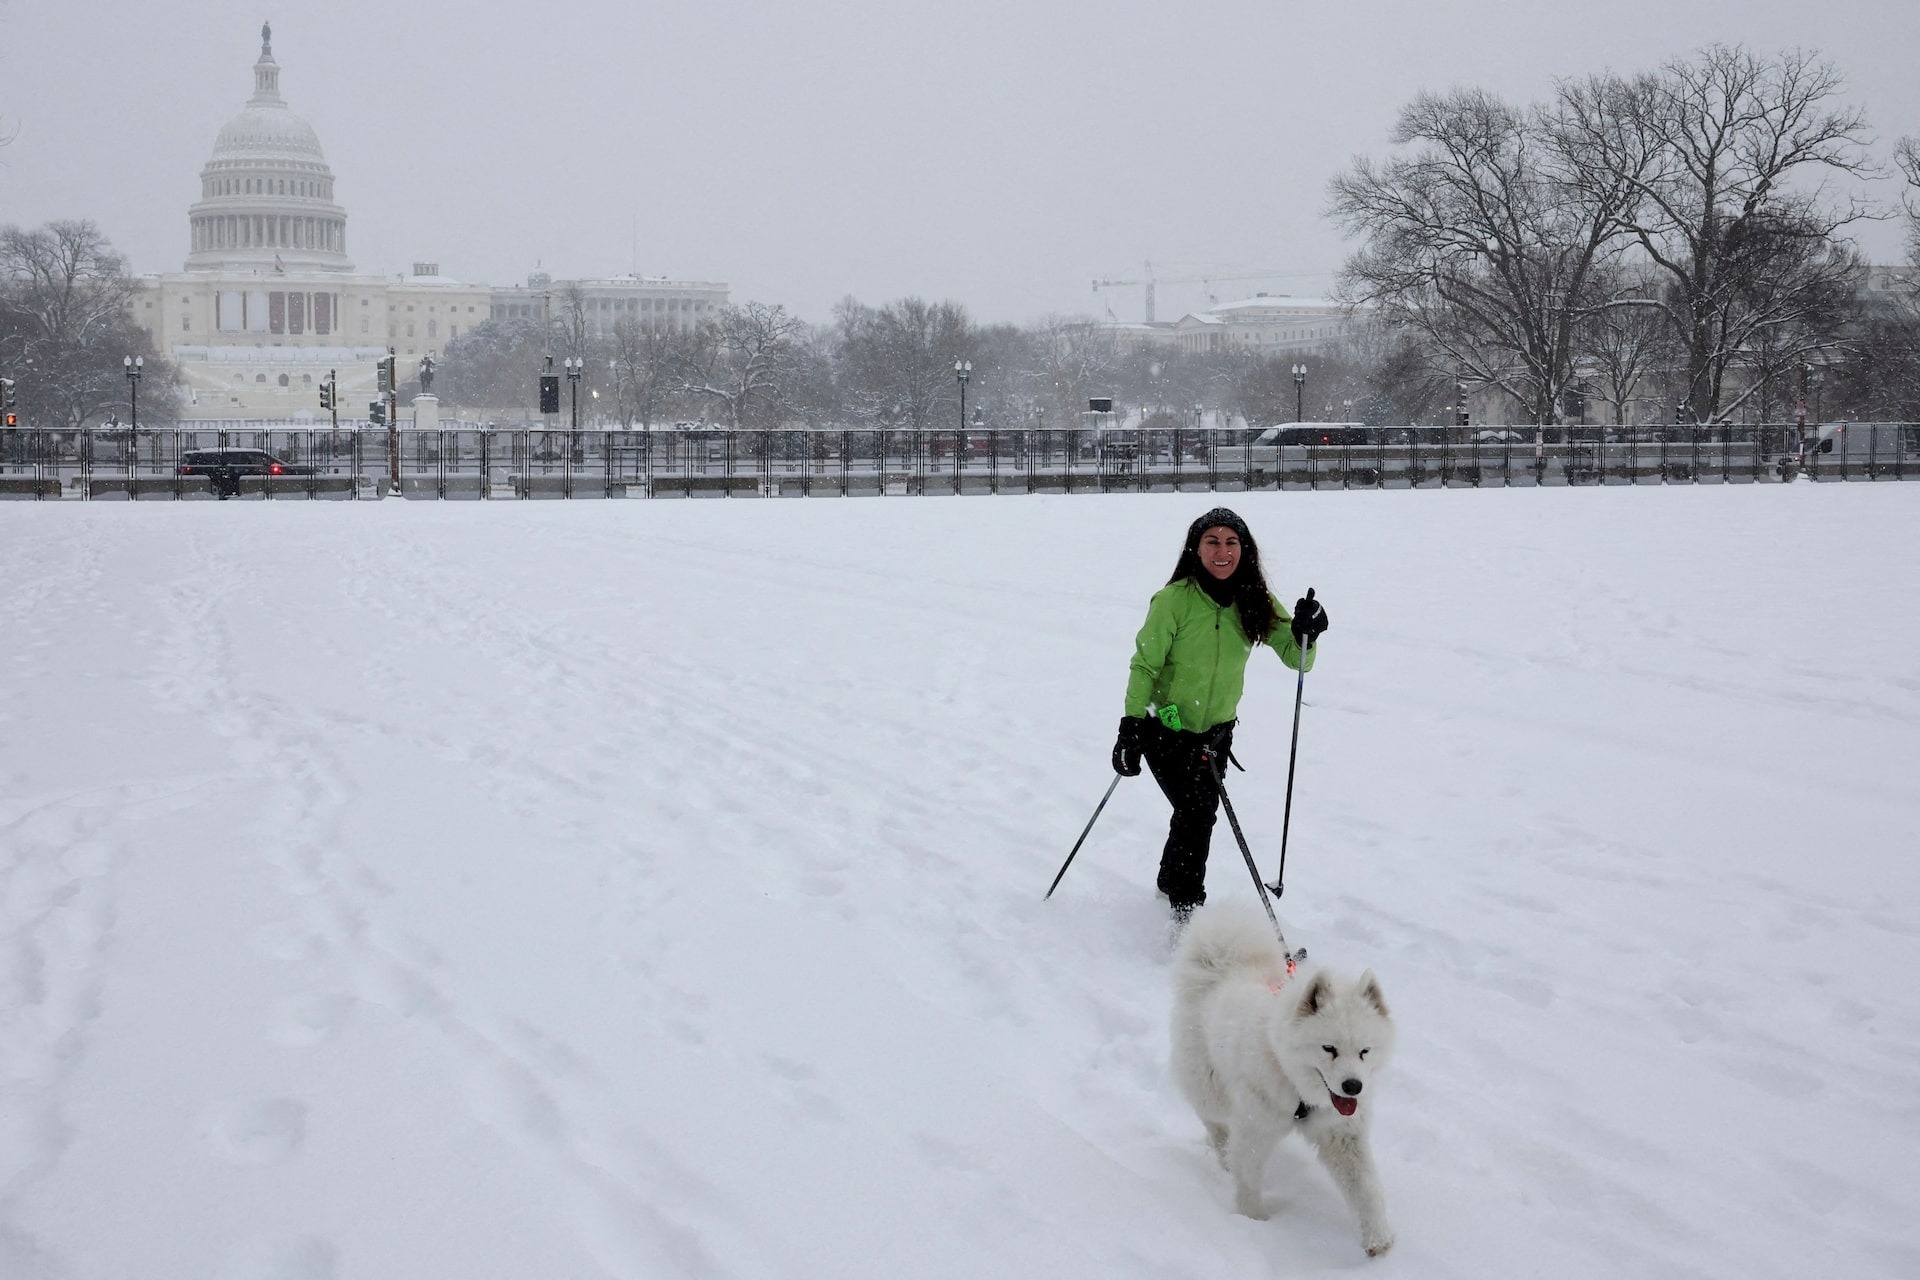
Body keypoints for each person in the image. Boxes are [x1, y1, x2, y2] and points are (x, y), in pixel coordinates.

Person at [1112, 507, 1328, 927]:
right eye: (1213, 541)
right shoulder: (1173, 600)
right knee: (1197, 813)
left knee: (1192, 812)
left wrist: (1308, 633)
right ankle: (1187, 911)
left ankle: (1170, 880)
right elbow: (1145, 666)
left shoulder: (1255, 599)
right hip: (1165, 727)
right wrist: (1131, 725)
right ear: (1196, 548)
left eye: (1232, 542)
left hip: (1215, 735)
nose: (1222, 551)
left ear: (1244, 550)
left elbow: (1297, 659)